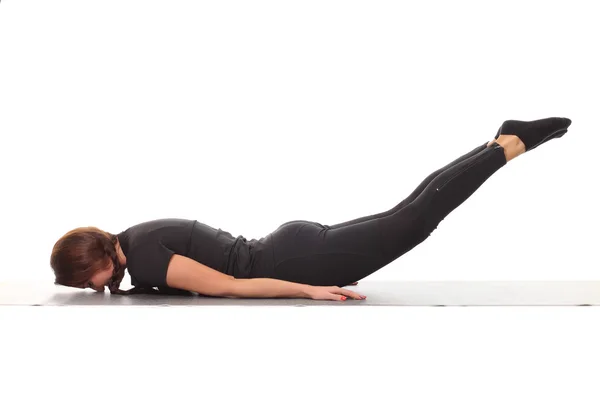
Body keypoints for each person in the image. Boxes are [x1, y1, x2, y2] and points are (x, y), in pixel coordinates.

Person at [50, 117, 572, 302]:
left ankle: (511, 144)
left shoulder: (143, 259)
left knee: (414, 220)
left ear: (90, 260)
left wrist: (308, 290)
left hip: (294, 265)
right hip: (288, 245)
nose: (93, 287)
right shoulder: (135, 237)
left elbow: (231, 286)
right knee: (409, 214)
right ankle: (500, 140)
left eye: (85, 280)